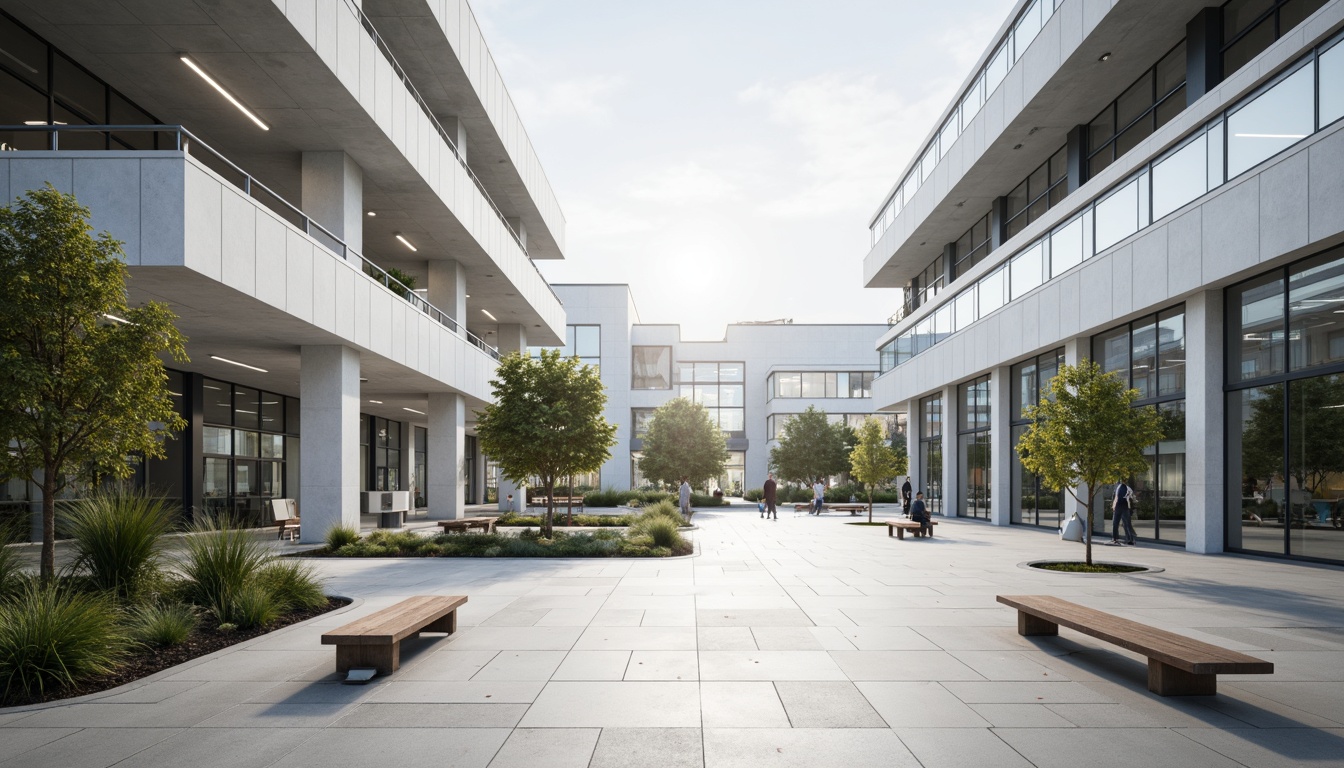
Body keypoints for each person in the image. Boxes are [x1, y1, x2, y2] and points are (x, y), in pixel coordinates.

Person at [1112, 480, 1136, 545]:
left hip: (1118, 507)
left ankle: (1115, 538)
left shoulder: (1117, 488)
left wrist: (1113, 507)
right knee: (1127, 524)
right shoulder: (1129, 489)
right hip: (1125, 507)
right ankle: (1130, 539)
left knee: (1115, 523)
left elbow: (1115, 498)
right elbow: (1132, 499)